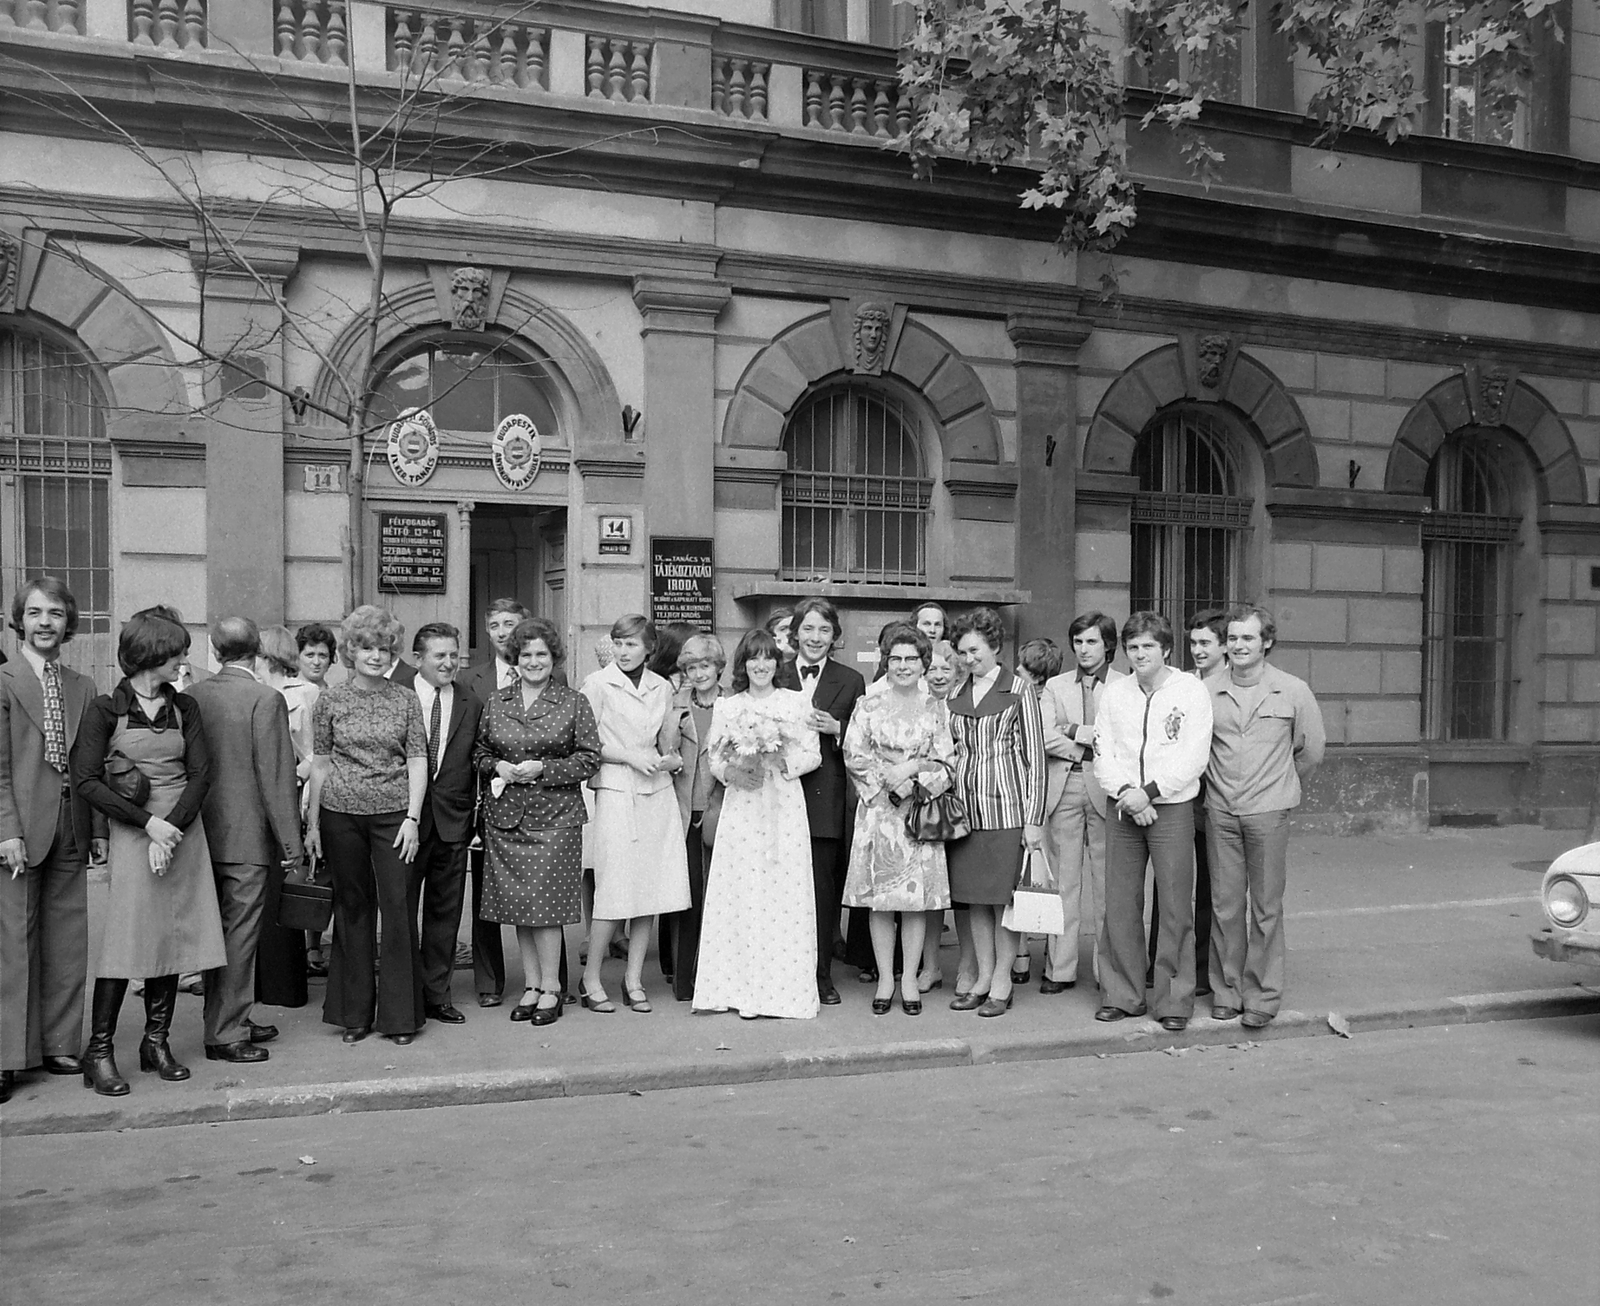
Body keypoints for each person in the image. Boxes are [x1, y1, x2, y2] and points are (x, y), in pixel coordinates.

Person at [71, 607, 227, 1094]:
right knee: (126, 942)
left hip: (182, 830)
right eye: (177, 651)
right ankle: (99, 1051)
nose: (184, 659)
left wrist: (173, 829)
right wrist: (150, 827)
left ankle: (154, 1042)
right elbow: (87, 780)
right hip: (134, 828)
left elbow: (202, 775)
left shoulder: (186, 708)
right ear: (151, 654)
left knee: (174, 937)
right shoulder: (104, 709)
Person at [0, 578, 106, 1103]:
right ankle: (7, 1055)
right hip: (18, 832)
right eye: (36, 613)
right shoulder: (3, 680)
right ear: (20, 619)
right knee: (14, 944)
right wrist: (7, 831)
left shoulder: (82, 685)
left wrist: (98, 830)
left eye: (57, 614)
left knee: (67, 942)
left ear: (69, 622)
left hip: (72, 824)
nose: (46, 623)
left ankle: (60, 1043)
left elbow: (93, 769)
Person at [305, 606, 428, 1046]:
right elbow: (320, 764)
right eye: (366, 648)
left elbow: (417, 761)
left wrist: (413, 818)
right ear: (350, 651)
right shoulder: (331, 700)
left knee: (397, 908)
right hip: (340, 815)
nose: (375, 656)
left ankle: (399, 1017)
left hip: (394, 817)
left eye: (383, 648)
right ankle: (353, 1013)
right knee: (352, 910)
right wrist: (314, 823)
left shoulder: (406, 699)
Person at [185, 617, 303, 1064]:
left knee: (216, 935)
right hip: (248, 836)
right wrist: (292, 845)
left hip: (201, 833)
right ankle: (226, 1030)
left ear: (214, 651)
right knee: (240, 936)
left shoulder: (192, 696)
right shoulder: (265, 698)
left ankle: (227, 1016)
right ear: (258, 652)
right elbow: (275, 777)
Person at [475, 617, 600, 1027]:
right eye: (526, 654)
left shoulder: (573, 701)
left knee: (545, 908)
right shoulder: (497, 701)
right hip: (506, 819)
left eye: (541, 654)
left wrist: (541, 769)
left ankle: (552, 988)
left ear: (553, 658)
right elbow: (479, 752)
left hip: (555, 820)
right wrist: (499, 767)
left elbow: (589, 758)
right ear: (515, 658)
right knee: (517, 907)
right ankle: (531, 985)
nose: (533, 661)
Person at [1092, 611, 1213, 1032]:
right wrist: (1128, 792)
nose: (1140, 654)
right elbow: (1102, 751)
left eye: (1148, 646)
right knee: (1120, 902)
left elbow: (1194, 755)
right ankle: (1123, 994)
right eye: (1133, 647)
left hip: (1172, 807)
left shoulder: (1191, 690)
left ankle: (1173, 999)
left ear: (1165, 650)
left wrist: (1151, 792)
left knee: (1176, 904)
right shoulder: (1115, 693)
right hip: (1124, 805)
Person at [1206, 604, 1325, 1029]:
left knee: (1266, 907)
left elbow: (1310, 750)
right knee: (1224, 905)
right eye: (1233, 638)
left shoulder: (1293, 690)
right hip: (1220, 810)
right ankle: (1226, 991)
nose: (1239, 646)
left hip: (1268, 813)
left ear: (1266, 643)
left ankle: (1262, 995)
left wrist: (1278, 787)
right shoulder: (1207, 689)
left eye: (1248, 638)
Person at [692, 628, 822, 1019]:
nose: (761, 665)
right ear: (743, 665)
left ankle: (782, 993)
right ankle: (739, 989)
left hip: (782, 803)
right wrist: (732, 772)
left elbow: (812, 753)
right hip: (744, 806)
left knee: (782, 895)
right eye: (753, 658)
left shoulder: (797, 703)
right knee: (742, 893)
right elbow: (714, 758)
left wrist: (784, 761)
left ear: (776, 663)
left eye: (768, 658)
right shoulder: (729, 707)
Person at [841, 624, 953, 1016]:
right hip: (879, 814)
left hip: (917, 815)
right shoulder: (868, 705)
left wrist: (913, 778)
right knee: (880, 903)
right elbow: (853, 754)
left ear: (924, 663)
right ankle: (886, 978)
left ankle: (909, 979)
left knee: (914, 903)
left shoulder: (935, 707)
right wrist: (885, 786)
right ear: (885, 661)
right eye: (896, 658)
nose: (903, 666)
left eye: (912, 659)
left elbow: (946, 761)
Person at [579, 614, 689, 1014]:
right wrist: (629, 756)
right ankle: (591, 978)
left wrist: (669, 761)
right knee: (613, 888)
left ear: (649, 649)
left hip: (655, 793)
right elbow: (585, 740)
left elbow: (664, 743)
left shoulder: (661, 686)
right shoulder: (597, 683)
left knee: (650, 889)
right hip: (615, 788)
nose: (624, 652)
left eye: (631, 644)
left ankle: (633, 979)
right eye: (619, 643)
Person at [943, 608, 1046, 1018]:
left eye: (975, 650)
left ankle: (1003, 979)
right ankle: (983, 977)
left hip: (1007, 810)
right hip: (964, 813)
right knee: (975, 901)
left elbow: (1035, 759)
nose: (969, 659)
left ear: (995, 647)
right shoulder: (954, 693)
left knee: (1003, 901)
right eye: (962, 652)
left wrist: (1034, 818)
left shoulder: (1019, 691)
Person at [775, 597, 865, 1006]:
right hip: (776, 796)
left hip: (823, 799)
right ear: (795, 633)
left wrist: (838, 728)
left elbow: (862, 740)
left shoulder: (850, 679)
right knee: (778, 888)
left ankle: (821, 975)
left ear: (835, 637)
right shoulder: (772, 672)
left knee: (821, 891)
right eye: (808, 629)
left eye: (824, 630)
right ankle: (780, 972)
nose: (815, 638)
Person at [1037, 612, 1123, 995]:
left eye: (1092, 641)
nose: (1084, 649)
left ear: (1108, 644)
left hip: (1107, 790)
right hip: (1065, 787)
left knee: (1108, 886)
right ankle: (1060, 969)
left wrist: (1072, 730)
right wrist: (1090, 740)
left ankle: (1108, 971)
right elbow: (1044, 736)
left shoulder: (1125, 686)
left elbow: (1122, 738)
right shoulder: (1055, 686)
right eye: (1078, 641)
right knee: (1063, 885)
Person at [1146, 609, 1230, 997]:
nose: (1196, 650)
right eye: (1192, 643)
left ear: (1225, 646)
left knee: (1213, 889)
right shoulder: (1182, 685)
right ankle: (1161, 965)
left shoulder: (1232, 687)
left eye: (1205, 643)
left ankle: (1201, 969)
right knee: (1172, 886)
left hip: (1221, 800)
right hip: (1180, 798)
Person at [406, 623, 484, 1027]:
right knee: (400, 913)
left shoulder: (471, 700)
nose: (449, 663)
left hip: (453, 823)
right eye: (440, 656)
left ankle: (437, 994)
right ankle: (402, 999)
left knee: (444, 915)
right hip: (405, 824)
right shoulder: (399, 696)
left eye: (454, 655)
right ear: (418, 659)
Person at [458, 598, 529, 1007]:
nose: (504, 632)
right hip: (488, 797)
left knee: (541, 889)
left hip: (536, 799)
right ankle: (488, 982)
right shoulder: (472, 680)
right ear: (487, 632)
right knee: (485, 890)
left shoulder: (546, 672)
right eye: (496, 625)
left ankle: (550, 978)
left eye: (511, 624)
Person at [252, 625, 317, 1004]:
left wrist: (294, 776)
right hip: (261, 797)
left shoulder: (306, 693)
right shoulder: (257, 689)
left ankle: (285, 982)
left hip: (292, 794)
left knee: (286, 884)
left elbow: (316, 752)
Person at [664, 633, 725, 1003]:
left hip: (725, 809)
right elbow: (659, 747)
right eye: (691, 667)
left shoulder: (734, 704)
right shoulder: (674, 704)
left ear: (719, 667)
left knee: (722, 898)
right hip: (683, 811)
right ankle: (684, 978)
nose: (699, 673)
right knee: (690, 899)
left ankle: (718, 976)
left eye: (705, 665)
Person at [1009, 637, 1063, 985]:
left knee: (1033, 875)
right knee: (1017, 875)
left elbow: (1045, 741)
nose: (1019, 674)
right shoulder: (1013, 694)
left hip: (1037, 794)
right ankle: (1019, 949)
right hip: (1013, 792)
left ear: (1040, 679)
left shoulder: (1044, 701)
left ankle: (1025, 950)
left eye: (1026, 672)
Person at [915, 638, 959, 992]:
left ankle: (970, 966)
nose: (939, 675)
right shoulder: (919, 706)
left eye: (947, 668)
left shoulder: (961, 706)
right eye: (933, 669)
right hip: (926, 806)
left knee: (968, 892)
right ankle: (930, 966)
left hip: (963, 802)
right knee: (931, 892)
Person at [293, 622, 336, 975]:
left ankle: (314, 944)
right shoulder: (293, 694)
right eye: (310, 654)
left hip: (331, 787)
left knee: (323, 871)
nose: (317, 661)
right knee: (306, 868)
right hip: (300, 787)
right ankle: (303, 948)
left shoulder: (332, 692)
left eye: (323, 655)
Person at [295, 623, 336, 690]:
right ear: (298, 656)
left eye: (322, 656)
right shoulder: (286, 694)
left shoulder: (337, 694)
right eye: (310, 655)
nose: (316, 662)